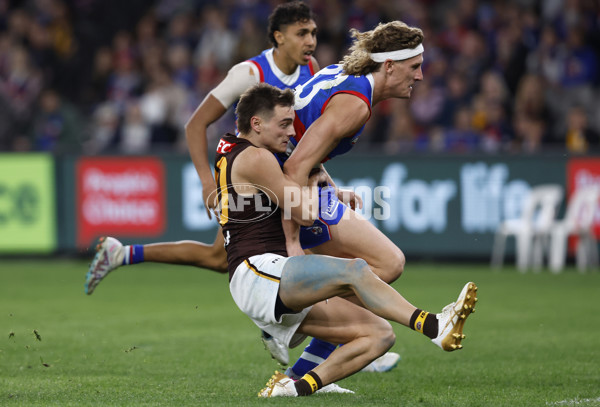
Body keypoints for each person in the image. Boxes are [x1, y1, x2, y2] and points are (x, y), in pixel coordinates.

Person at [84, 1, 399, 385]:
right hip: (248, 177)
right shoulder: (248, 72)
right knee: (230, 258)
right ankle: (327, 338)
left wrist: (330, 185)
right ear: (278, 36)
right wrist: (207, 180)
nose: (311, 41)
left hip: (284, 179)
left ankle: (327, 340)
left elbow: (304, 145)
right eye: (302, 33)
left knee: (231, 258)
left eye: (314, 32)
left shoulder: (311, 70)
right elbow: (195, 124)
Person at [216, 82, 477, 398]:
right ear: (256, 123)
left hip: (268, 277)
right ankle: (434, 326)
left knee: (379, 335)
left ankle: (295, 388)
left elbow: (289, 182)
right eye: (284, 123)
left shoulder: (237, 150)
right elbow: (305, 213)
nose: (290, 131)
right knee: (355, 270)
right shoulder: (257, 157)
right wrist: (314, 185)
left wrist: (329, 189)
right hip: (258, 272)